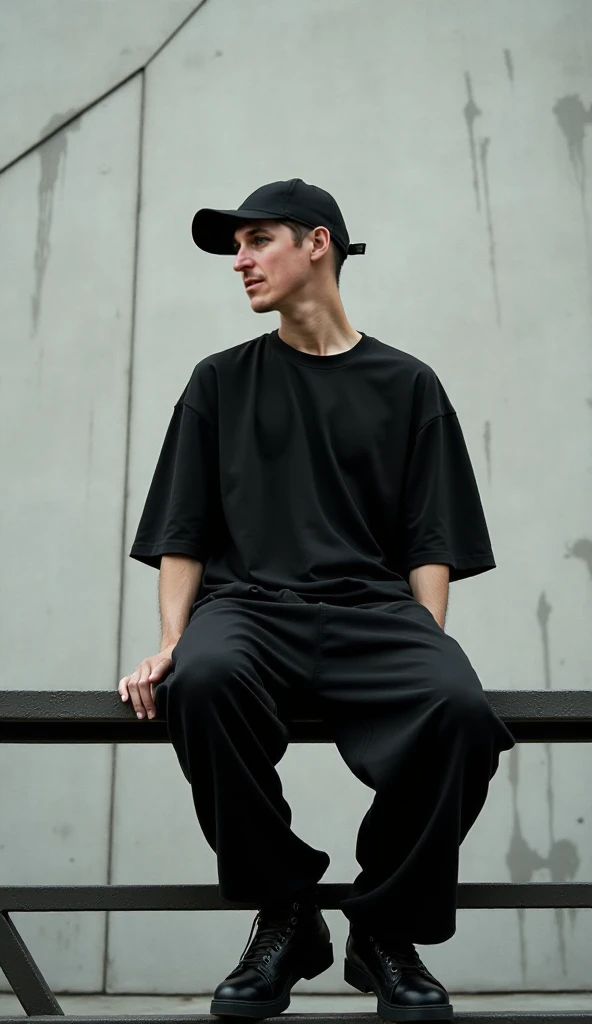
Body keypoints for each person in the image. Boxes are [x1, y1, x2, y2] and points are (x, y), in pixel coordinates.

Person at [118, 178, 515, 1022]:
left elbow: (431, 541)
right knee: (202, 678)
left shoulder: (408, 384)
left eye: (258, 240)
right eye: (237, 247)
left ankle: (384, 930)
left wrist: (427, 645)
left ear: (318, 243)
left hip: (374, 611)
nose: (241, 261)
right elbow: (183, 531)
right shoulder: (219, 382)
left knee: (459, 710)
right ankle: (288, 914)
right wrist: (166, 641)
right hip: (250, 610)